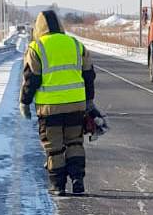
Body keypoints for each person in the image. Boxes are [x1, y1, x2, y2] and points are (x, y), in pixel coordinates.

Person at [19, 10, 97, 196]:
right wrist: (89, 101)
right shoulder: (75, 44)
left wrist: (24, 102)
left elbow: (32, 79)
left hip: (49, 108)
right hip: (76, 105)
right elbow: (89, 75)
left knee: (54, 147)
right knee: (75, 142)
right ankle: (78, 180)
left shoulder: (36, 48)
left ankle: (57, 185)